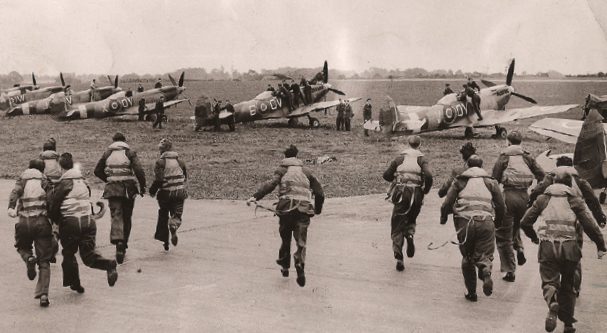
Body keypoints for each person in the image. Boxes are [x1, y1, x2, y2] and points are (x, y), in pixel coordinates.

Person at [521, 170, 606, 333]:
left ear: (553, 184)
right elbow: (590, 226)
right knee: (569, 285)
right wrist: (600, 245)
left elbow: (525, 222)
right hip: (570, 248)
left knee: (549, 281)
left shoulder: (542, 199)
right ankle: (568, 324)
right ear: (569, 185)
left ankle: (553, 302)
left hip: (547, 247)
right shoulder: (575, 201)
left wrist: (534, 237)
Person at [246, 145, 324, 287]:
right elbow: (319, 193)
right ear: (297, 156)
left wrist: (255, 197)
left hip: (286, 209)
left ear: (285, 157)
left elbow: (271, 184)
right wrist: (317, 209)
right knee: (301, 239)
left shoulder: (282, 170)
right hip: (303, 209)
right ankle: (300, 263)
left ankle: (285, 266)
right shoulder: (306, 171)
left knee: (285, 238)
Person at [529, 156, 606, 297]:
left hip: (551, 225)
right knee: (575, 256)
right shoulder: (580, 180)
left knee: (550, 259)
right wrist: (600, 217)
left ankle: (552, 286)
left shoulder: (551, 178)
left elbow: (537, 191)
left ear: (557, 166)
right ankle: (574, 287)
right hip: (575, 224)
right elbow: (592, 200)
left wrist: (530, 203)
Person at [49, 153, 118, 295]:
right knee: (87, 255)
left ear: (61, 167)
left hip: (71, 222)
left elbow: (54, 205)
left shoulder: (64, 182)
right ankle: (108, 265)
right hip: (88, 221)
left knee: (69, 253)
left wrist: (54, 222)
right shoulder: (83, 181)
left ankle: (75, 282)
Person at [440, 155, 505, 302]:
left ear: (467, 166)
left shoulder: (460, 181)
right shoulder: (490, 182)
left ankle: (471, 293)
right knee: (485, 255)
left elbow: (446, 203)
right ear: (481, 166)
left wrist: (443, 217)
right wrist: (498, 222)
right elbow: (501, 205)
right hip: (486, 222)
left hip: (465, 222)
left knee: (468, 258)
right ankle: (485, 269)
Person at [492, 131, 545, 281]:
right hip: (524, 197)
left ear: (507, 142)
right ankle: (520, 248)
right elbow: (543, 177)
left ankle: (510, 270)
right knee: (516, 226)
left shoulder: (503, 157)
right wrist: (534, 193)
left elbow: (494, 180)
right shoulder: (527, 157)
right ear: (520, 142)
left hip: (508, 196)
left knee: (503, 235)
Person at [94, 133, 146, 264]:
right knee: (127, 217)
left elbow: (97, 170)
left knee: (116, 215)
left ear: (113, 141)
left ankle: (118, 241)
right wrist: (142, 186)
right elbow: (138, 169)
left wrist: (108, 180)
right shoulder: (130, 152)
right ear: (124, 141)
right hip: (128, 189)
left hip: (113, 189)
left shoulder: (107, 153)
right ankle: (124, 244)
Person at [8, 159, 54, 307]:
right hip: (42, 222)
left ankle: (28, 259)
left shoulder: (22, 179)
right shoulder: (44, 180)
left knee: (22, 246)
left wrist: (11, 207)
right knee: (45, 260)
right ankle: (43, 295)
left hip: (24, 222)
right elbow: (53, 197)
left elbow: (15, 192)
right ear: (42, 169)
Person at [383, 136, 433, 271]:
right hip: (416, 195)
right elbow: (428, 175)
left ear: (408, 144)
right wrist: (425, 190)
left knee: (397, 223)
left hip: (401, 194)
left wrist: (396, 176)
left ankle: (398, 255)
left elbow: (386, 175)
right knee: (411, 218)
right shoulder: (422, 159)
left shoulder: (400, 158)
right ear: (419, 144)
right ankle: (410, 234)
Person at [149, 139, 188, 251]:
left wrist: (152, 191)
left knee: (163, 213)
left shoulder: (160, 163)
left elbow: (159, 179)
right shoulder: (180, 162)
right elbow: (184, 177)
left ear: (162, 150)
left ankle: (164, 239)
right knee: (177, 213)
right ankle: (174, 224)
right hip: (179, 192)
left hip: (165, 193)